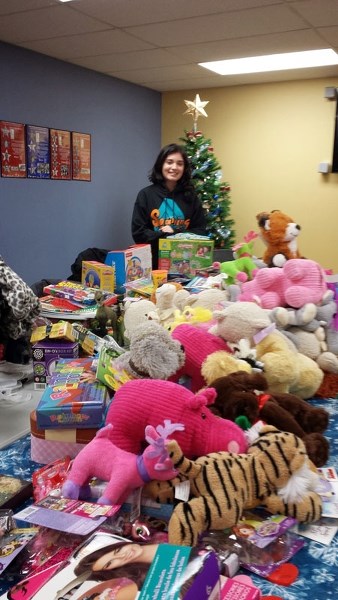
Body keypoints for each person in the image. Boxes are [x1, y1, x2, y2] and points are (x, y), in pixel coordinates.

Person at [131, 143, 207, 269]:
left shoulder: (191, 197)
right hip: (152, 266)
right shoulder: (145, 195)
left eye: (179, 163)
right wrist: (165, 235)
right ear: (161, 164)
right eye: (169, 162)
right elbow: (138, 233)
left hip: (185, 266)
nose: (174, 167)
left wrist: (174, 231)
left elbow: (201, 232)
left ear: (184, 168)